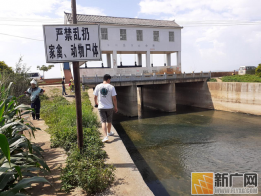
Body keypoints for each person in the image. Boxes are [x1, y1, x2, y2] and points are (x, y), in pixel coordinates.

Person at [93, 74, 118, 143]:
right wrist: (116, 107)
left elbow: (95, 96)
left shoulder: (98, 86)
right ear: (108, 79)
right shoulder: (111, 87)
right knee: (109, 120)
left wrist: (96, 103)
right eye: (110, 80)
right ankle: (109, 132)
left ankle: (106, 136)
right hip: (109, 107)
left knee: (103, 121)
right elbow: (114, 98)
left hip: (101, 107)